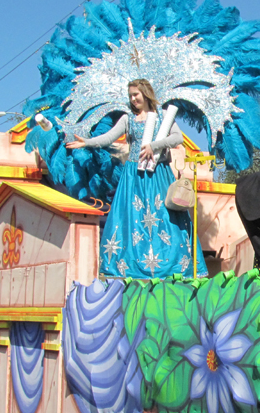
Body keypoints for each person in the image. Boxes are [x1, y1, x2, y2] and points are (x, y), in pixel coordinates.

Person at [66, 78, 208, 278]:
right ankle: (129, 268)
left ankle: (174, 267)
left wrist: (154, 146)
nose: (133, 99)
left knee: (166, 219)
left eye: (136, 95)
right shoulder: (127, 119)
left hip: (158, 174)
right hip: (133, 176)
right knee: (129, 219)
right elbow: (108, 137)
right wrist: (87, 143)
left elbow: (177, 138)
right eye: (130, 96)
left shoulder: (163, 117)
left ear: (146, 93)